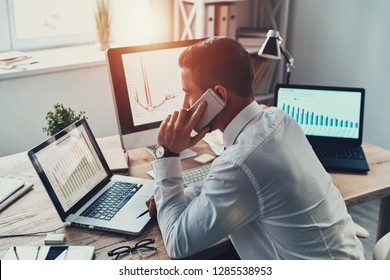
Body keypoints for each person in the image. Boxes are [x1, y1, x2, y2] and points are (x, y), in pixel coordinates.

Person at [147, 36, 364, 260]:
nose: (184, 105)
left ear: (219, 96)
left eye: (188, 93)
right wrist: (174, 197)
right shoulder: (279, 119)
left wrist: (168, 153)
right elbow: (225, 182)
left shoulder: (241, 163)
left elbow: (176, 242)